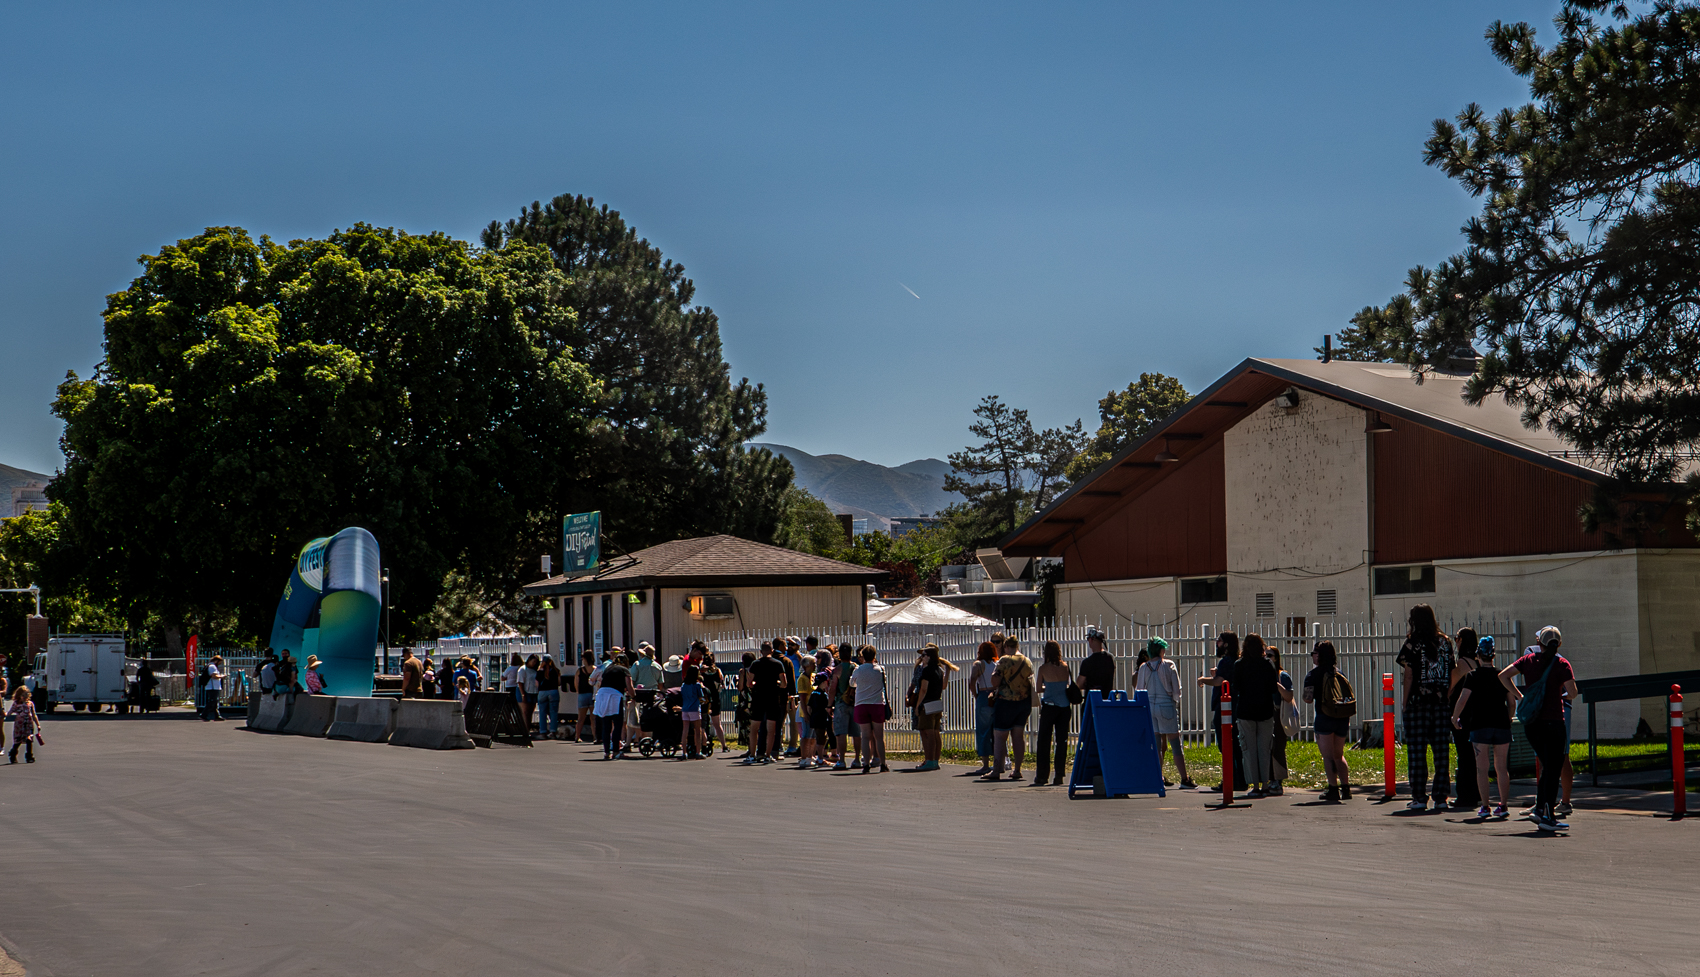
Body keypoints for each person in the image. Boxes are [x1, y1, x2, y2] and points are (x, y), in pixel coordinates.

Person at [1500, 627, 1579, 830]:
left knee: (1547, 767)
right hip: (1554, 722)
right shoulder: (1562, 664)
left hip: (1533, 724)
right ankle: (1547, 816)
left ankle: (1539, 811)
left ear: (1539, 643)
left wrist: (1520, 696)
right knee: (1553, 769)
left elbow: (1503, 676)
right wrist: (1562, 696)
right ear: (1559, 644)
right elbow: (1573, 692)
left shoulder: (1528, 661)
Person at [1396, 604, 1456, 811]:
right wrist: (1445, 695)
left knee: (1417, 751)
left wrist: (1405, 703)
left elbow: (1409, 674)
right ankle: (1441, 797)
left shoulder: (1413, 642)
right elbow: (1451, 672)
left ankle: (1419, 797)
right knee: (1441, 752)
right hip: (1440, 705)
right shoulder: (1445, 642)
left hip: (1417, 704)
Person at [1451, 636, 1514, 819]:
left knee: (1482, 768)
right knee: (1502, 767)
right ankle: (1503, 805)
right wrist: (1509, 717)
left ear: (1479, 656)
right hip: (1501, 724)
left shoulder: (1472, 676)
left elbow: (1462, 700)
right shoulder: (1502, 675)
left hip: (1479, 726)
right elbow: (1511, 703)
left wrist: (1455, 718)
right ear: (1493, 656)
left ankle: (1485, 806)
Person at [1135, 637, 1194, 788]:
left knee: (1156, 745)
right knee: (1175, 743)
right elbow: (1177, 690)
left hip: (1150, 707)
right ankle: (1184, 778)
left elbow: (1139, 690)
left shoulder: (1143, 667)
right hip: (1166, 705)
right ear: (1161, 650)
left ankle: (1157, 775)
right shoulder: (1169, 665)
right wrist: (1174, 700)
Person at [1303, 641, 1354, 802]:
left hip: (1324, 717)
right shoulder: (1340, 674)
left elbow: (1308, 699)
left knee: (1328, 756)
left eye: (1314, 653)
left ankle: (1333, 788)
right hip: (1342, 717)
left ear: (1319, 655)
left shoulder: (1313, 674)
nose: (1313, 656)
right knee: (1339, 754)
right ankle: (1346, 788)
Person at [1197, 631, 1246, 791]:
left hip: (1224, 707)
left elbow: (1220, 681)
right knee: (1235, 746)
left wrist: (1203, 679)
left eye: (1219, 640)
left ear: (1225, 644)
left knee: (1225, 745)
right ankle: (1240, 779)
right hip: (1235, 706)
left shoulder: (1226, 661)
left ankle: (1230, 780)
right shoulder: (1236, 660)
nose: (1216, 643)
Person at [1231, 635, 1278, 798]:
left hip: (1245, 711)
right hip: (1265, 711)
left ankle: (1255, 785)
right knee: (1264, 749)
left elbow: (1235, 688)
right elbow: (1273, 688)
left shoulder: (1239, 665)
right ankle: (1265, 783)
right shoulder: (1267, 664)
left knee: (1249, 750)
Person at [983, 636, 1034, 783]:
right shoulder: (1026, 661)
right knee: (1018, 736)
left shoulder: (1004, 660)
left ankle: (996, 769)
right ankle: (1017, 769)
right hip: (1023, 702)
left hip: (1006, 702)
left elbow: (995, 681)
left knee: (1000, 736)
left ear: (1006, 647)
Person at [1449, 628, 1482, 811]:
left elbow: (1451, 687)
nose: (1456, 642)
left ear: (1462, 641)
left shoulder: (1462, 663)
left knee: (1464, 755)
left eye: (1457, 638)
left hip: (1461, 715)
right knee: (1474, 755)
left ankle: (1464, 795)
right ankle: (1476, 792)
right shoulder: (1477, 662)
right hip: (1475, 714)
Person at [742, 642, 789, 765]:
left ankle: (752, 754)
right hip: (773, 697)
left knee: (754, 728)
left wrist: (754, 684)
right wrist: (777, 683)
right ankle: (768, 755)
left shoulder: (755, 664)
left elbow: (749, 682)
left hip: (758, 697)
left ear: (761, 651)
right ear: (772, 651)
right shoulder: (778, 664)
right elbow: (784, 683)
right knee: (771, 728)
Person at [1033, 640, 1073, 786]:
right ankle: (1059, 775)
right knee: (1061, 741)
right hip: (1064, 707)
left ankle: (1042, 775)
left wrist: (1048, 688)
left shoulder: (1043, 668)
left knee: (1044, 741)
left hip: (1049, 706)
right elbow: (1067, 685)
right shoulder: (1065, 667)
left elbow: (1038, 688)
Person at [849, 645, 890, 773]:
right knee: (879, 736)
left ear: (862, 656)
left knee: (865, 736)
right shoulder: (880, 670)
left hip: (861, 704)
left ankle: (865, 764)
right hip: (877, 704)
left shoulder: (858, 670)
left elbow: (852, 683)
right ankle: (882, 763)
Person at [911, 643, 948, 772]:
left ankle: (929, 759)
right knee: (935, 732)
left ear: (930, 656)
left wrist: (918, 705)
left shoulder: (927, 670)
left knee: (927, 732)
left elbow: (923, 689)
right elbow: (943, 686)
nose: (922, 658)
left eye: (924, 655)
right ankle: (935, 760)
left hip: (927, 703)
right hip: (937, 702)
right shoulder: (939, 669)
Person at [968, 641, 999, 775]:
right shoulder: (996, 664)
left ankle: (985, 764)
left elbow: (972, 681)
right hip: (996, 695)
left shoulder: (978, 664)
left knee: (983, 731)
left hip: (984, 694)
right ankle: (998, 762)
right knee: (997, 731)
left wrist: (976, 694)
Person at [594, 653, 632, 760]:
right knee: (617, 724)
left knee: (606, 725)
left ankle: (606, 752)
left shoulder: (608, 669)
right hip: (615, 696)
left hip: (602, 695)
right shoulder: (624, 670)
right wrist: (634, 695)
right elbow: (629, 685)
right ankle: (615, 751)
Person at [1268, 647, 1296, 796]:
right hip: (1266, 713)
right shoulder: (1262, 674)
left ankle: (1278, 780)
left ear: (1276, 658)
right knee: (1267, 747)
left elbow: (1288, 696)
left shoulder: (1282, 675)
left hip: (1279, 714)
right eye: (1264, 655)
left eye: (1270, 656)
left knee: (1278, 747)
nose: (1267, 658)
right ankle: (1268, 778)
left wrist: (1276, 684)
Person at [831, 643, 860, 769]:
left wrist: (829, 705)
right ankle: (857, 759)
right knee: (856, 733)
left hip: (841, 702)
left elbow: (833, 688)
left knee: (841, 733)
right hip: (855, 702)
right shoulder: (856, 668)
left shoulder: (837, 669)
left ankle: (841, 760)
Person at [700, 647, 729, 753]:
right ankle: (724, 745)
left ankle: (704, 743)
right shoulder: (717, 670)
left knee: (703, 722)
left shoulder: (701, 671)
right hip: (715, 698)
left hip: (704, 698)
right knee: (717, 723)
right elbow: (721, 684)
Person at [1076, 625, 1116, 699]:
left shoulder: (1087, 662)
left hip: (1091, 701)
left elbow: (1079, 684)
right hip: (1107, 700)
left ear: (1091, 640)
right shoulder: (1110, 658)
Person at [806, 668, 834, 769]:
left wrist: (810, 715)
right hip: (821, 719)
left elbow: (809, 707)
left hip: (815, 718)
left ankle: (814, 756)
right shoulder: (823, 695)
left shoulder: (814, 694)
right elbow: (826, 707)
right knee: (821, 739)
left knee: (818, 737)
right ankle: (820, 758)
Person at [679, 663, 706, 759]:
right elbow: (701, 697)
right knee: (697, 731)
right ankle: (698, 752)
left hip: (685, 709)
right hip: (694, 708)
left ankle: (684, 753)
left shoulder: (683, 685)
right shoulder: (697, 685)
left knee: (685, 730)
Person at [8, 684, 40, 763]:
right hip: (19, 724)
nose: (25, 697)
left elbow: (34, 714)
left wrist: (38, 724)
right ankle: (13, 754)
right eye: (23, 695)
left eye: (26, 694)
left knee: (29, 739)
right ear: (19, 695)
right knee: (18, 740)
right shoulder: (16, 704)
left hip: (28, 723)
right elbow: (9, 712)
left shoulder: (30, 704)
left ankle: (29, 756)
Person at [573, 650, 597, 742]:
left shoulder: (580, 670)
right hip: (592, 694)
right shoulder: (595, 669)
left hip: (582, 695)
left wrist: (579, 692)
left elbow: (576, 683)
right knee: (593, 718)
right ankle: (595, 737)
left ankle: (577, 736)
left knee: (581, 718)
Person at [536, 655, 562, 738]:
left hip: (542, 692)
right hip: (553, 691)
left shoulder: (540, 671)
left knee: (542, 712)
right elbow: (559, 683)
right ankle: (553, 731)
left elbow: (536, 684)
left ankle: (543, 732)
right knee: (553, 712)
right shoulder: (555, 670)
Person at [199, 654, 225, 721]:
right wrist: (222, 676)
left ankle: (217, 715)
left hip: (212, 686)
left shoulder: (209, 666)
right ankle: (204, 714)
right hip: (212, 686)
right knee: (212, 701)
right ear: (216, 661)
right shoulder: (212, 666)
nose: (219, 664)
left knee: (215, 701)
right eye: (219, 662)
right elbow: (214, 676)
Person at [520, 654, 541, 728]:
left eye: (536, 662)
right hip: (526, 692)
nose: (534, 663)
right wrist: (523, 694)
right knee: (525, 712)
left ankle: (528, 727)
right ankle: (525, 728)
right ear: (529, 660)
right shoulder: (523, 669)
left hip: (533, 692)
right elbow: (520, 682)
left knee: (531, 711)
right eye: (533, 661)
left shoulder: (535, 670)